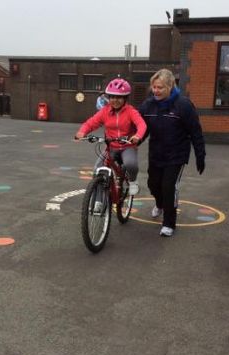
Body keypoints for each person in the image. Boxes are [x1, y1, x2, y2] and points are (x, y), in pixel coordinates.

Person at [139, 69, 206, 237]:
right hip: (156, 154)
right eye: (154, 87)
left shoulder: (184, 105)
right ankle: (160, 205)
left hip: (176, 155)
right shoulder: (148, 105)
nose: (155, 91)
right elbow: (141, 129)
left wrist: (200, 156)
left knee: (169, 187)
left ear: (170, 86)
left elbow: (195, 132)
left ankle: (169, 223)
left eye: (160, 87)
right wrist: (133, 141)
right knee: (153, 185)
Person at [75, 78, 147, 196]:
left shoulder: (131, 111)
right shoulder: (105, 111)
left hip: (127, 146)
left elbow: (141, 124)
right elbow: (92, 122)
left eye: (119, 97)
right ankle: (99, 199)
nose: (115, 100)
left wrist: (137, 136)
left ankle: (133, 181)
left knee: (130, 164)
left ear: (125, 98)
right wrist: (82, 132)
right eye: (112, 97)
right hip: (111, 147)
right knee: (98, 169)